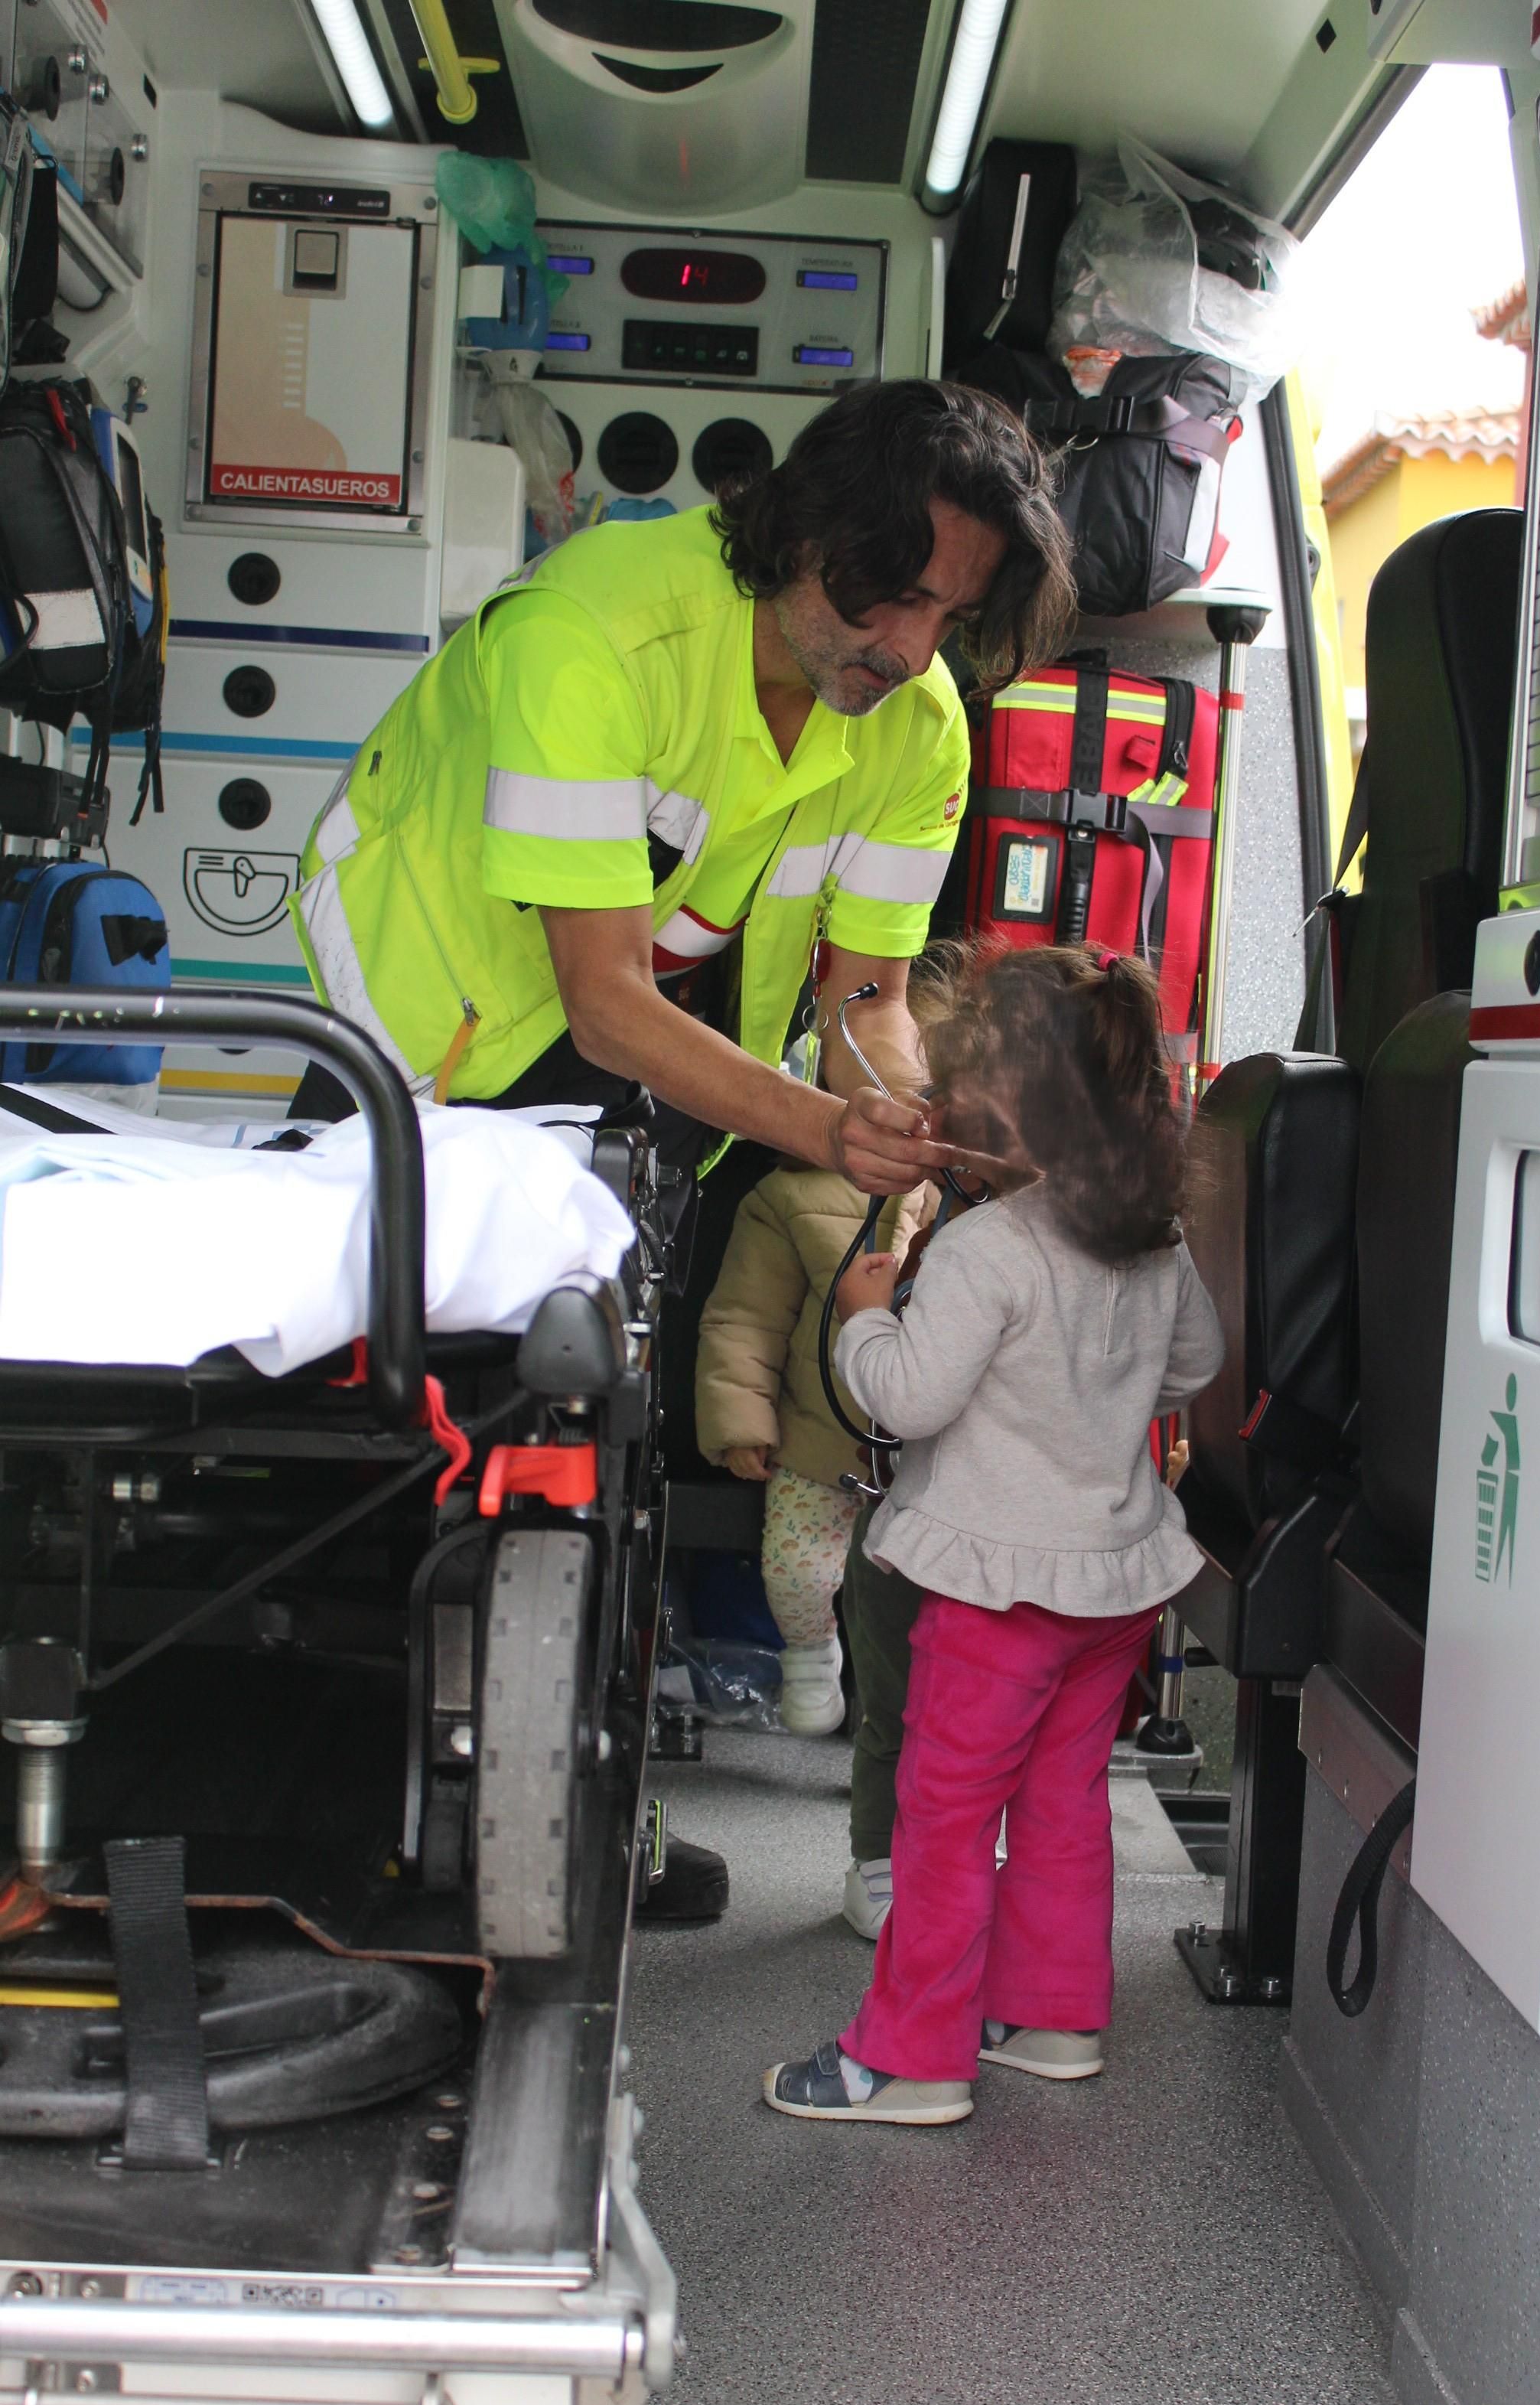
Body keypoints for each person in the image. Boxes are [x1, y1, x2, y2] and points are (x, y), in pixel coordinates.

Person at [289, 380, 1076, 1918]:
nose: (911, 645)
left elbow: (864, 996)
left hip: (672, 1052)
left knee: (608, 1435)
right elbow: (599, 1000)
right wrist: (829, 1127)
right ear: (805, 533)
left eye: (951, 612)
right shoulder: (592, 631)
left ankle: (576, 1795)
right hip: (434, 1038)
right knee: (398, 1425)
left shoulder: (916, 724)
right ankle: (348, 1801)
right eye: (892, 592)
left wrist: (910, 1121)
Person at [763, 944, 1223, 2125]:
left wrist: (864, 1318)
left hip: (996, 1599)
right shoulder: (1155, 1243)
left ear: (1006, 1107)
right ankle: (1052, 2017)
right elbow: (1194, 1368)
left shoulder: (986, 1248)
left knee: (946, 1821)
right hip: (1115, 1587)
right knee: (1066, 1804)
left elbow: (907, 1400)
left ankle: (911, 2056)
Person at [693, 1159, 934, 1751]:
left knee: (915, 1595)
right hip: (818, 1434)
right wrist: (743, 1423)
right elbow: (747, 1317)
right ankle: (810, 1655)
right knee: (796, 1569)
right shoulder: (788, 1196)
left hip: (926, 1448)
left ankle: (901, 1713)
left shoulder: (958, 1187)